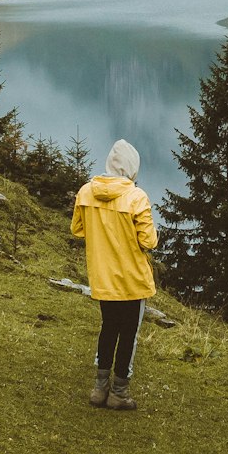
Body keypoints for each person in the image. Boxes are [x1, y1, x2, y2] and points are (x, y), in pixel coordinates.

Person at [71, 138, 158, 410]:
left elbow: (78, 230)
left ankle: (99, 389)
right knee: (128, 333)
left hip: (103, 276)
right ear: (132, 168)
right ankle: (119, 392)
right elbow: (149, 241)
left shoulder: (86, 192)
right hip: (132, 279)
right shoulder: (136, 196)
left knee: (108, 328)